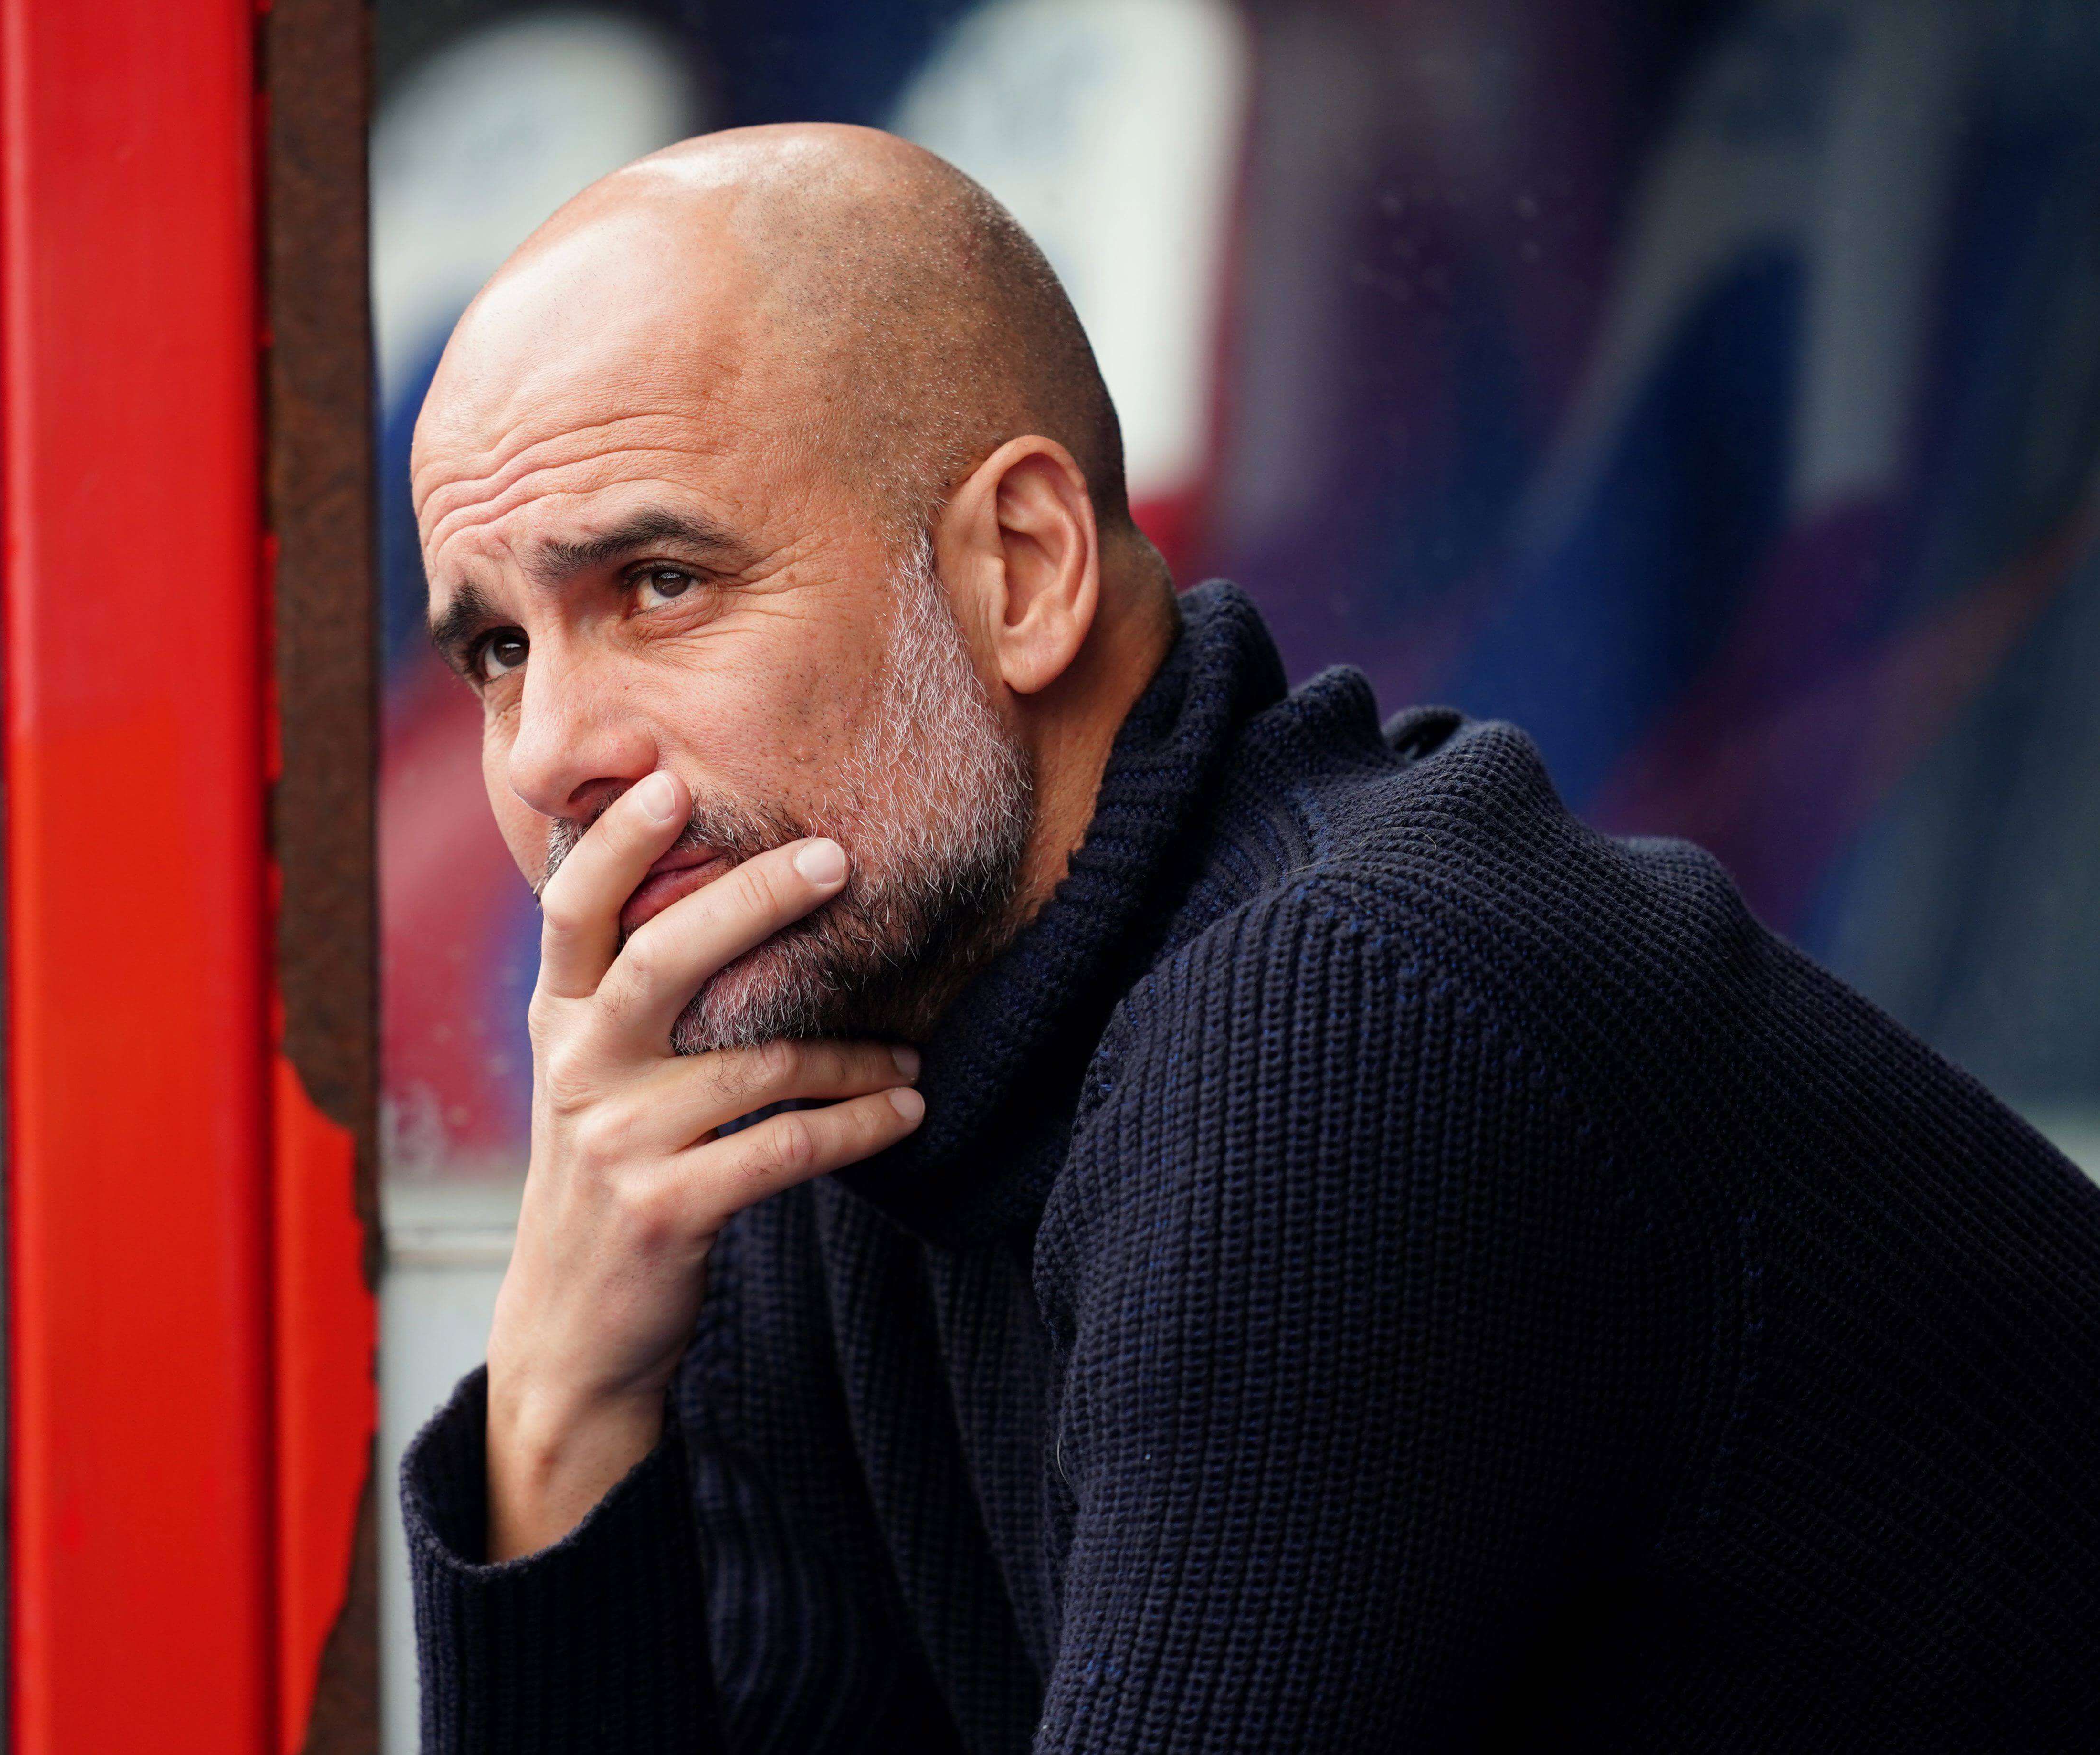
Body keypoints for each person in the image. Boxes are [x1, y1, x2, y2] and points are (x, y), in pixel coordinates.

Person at [397, 124, 2100, 1751]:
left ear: (1021, 568)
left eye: (658, 584)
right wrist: (558, 1401)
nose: (549, 749)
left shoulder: (1349, 1022)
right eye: (493, 653)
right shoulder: (819, 1056)